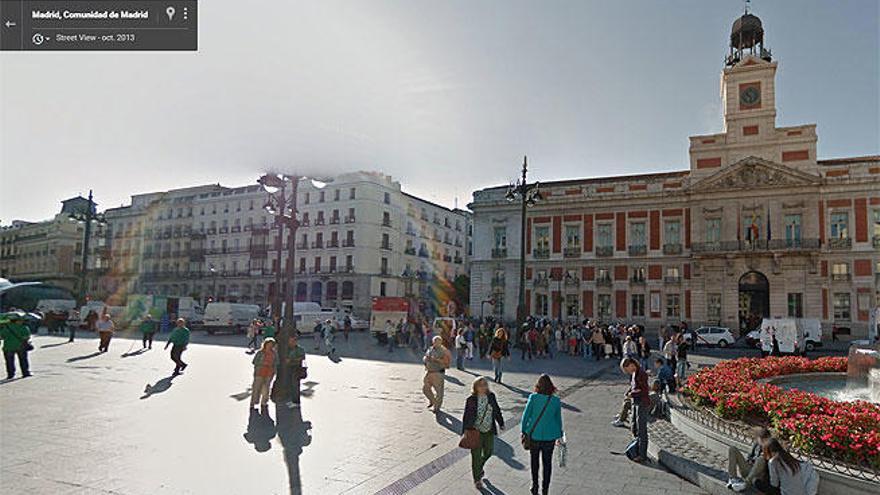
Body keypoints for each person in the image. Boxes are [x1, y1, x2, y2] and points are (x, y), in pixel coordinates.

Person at [521, 374, 564, 495]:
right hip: (549, 437)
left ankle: (535, 486)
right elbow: (558, 419)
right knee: (547, 463)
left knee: (534, 461)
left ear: (538, 386)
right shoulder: (555, 401)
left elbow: (526, 416)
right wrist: (559, 433)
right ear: (551, 387)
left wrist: (524, 430)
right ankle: (545, 489)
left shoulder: (533, 398)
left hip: (534, 435)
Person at [462, 377, 505, 490]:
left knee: (489, 452)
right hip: (475, 431)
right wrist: (465, 431)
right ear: (475, 387)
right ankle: (477, 479)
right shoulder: (471, 399)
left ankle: (479, 467)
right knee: (476, 456)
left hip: (489, 430)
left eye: (485, 385)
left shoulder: (491, 397)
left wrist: (501, 423)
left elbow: (496, 410)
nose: (483, 387)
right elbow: (466, 416)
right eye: (480, 385)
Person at [621, 357, 649, 462]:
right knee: (635, 426)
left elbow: (643, 389)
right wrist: (629, 391)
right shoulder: (634, 373)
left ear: (632, 365)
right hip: (636, 402)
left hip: (642, 402)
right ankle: (636, 448)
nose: (627, 372)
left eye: (627, 369)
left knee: (642, 429)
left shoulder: (641, 373)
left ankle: (642, 455)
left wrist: (631, 394)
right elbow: (633, 386)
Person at [727, 427, 771, 493]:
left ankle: (745, 484)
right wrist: (750, 460)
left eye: (763, 439)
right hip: (749, 469)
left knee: (761, 459)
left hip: (758, 476)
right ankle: (732, 479)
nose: (761, 441)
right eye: (760, 439)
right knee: (732, 449)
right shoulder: (756, 444)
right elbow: (749, 456)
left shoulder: (772, 447)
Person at [422, 336, 451, 413]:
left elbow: (447, 363)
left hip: (438, 372)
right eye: (434, 341)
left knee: (439, 392)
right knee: (425, 389)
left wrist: (436, 360)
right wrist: (425, 359)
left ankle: (437, 407)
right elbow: (425, 356)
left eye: (437, 342)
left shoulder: (444, 351)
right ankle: (433, 401)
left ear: (441, 342)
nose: (435, 343)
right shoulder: (431, 348)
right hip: (429, 371)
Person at [1, 313, 32, 379]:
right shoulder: (23, 327)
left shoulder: (6, 327)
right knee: (23, 360)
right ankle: (25, 373)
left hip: (8, 347)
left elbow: (1, 336)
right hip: (21, 346)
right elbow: (27, 336)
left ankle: (10, 374)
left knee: (9, 362)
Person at [250, 338, 277, 412]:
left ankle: (264, 402)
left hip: (269, 373)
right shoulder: (260, 352)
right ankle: (253, 402)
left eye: (272, 345)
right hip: (260, 372)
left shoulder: (274, 353)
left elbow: (276, 363)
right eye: (269, 345)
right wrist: (262, 364)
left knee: (266, 388)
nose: (270, 346)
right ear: (265, 345)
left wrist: (274, 371)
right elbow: (254, 362)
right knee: (256, 388)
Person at [283, 333, 307, 409]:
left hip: (296, 368)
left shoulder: (299, 349)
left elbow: (302, 358)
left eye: (293, 341)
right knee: (291, 385)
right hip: (289, 368)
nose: (291, 342)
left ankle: (296, 402)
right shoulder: (288, 348)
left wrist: (291, 360)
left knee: (295, 385)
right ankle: (293, 400)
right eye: (290, 341)